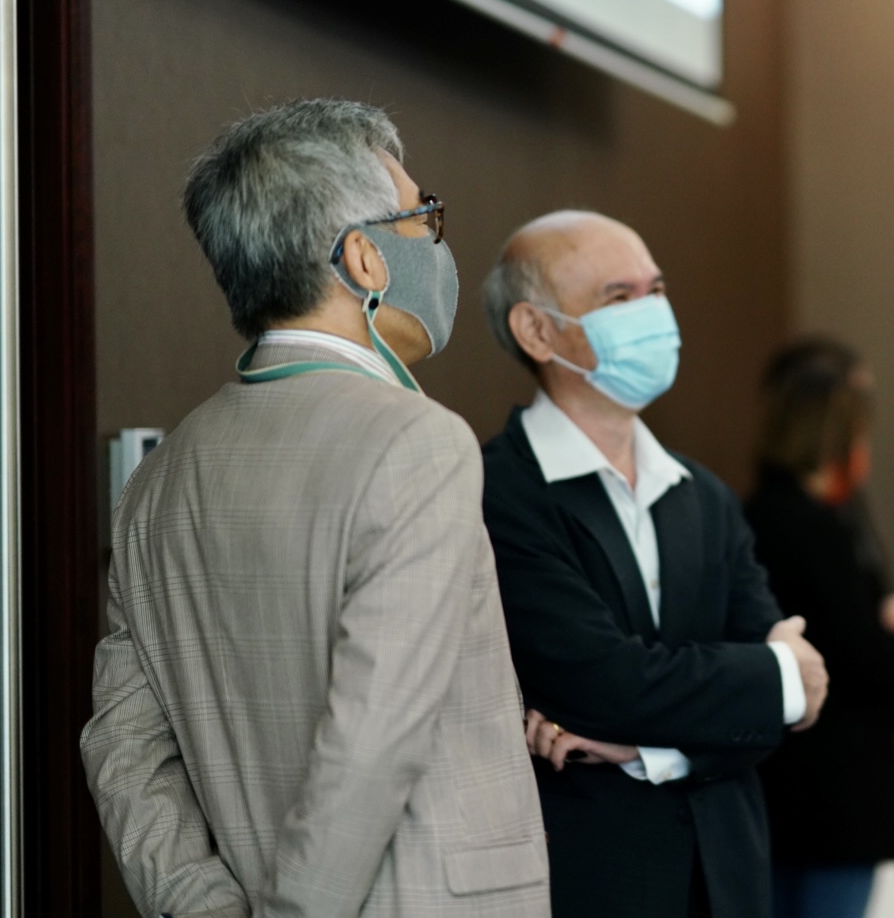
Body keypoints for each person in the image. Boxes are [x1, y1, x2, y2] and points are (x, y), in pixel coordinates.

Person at [80, 99, 550, 917]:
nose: (437, 243)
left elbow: (124, 752)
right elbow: (375, 738)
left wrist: (205, 907)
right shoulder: (419, 441)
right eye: (422, 218)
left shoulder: (155, 484)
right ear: (364, 260)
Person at [480, 210, 830, 918]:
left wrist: (644, 751)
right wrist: (774, 676)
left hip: (729, 879)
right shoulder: (497, 490)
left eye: (657, 289)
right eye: (619, 297)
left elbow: (784, 709)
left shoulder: (704, 494)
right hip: (591, 879)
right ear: (536, 331)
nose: (653, 313)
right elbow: (602, 681)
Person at [746, 337, 894, 918]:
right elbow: (858, 654)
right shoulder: (814, 528)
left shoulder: (762, 514)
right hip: (833, 794)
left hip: (784, 787)